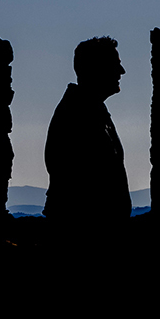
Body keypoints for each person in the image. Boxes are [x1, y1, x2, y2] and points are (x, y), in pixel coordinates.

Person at [43, 36, 131, 238]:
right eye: (115, 65)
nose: (122, 71)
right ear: (95, 68)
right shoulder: (77, 114)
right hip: (84, 236)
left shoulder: (89, 109)